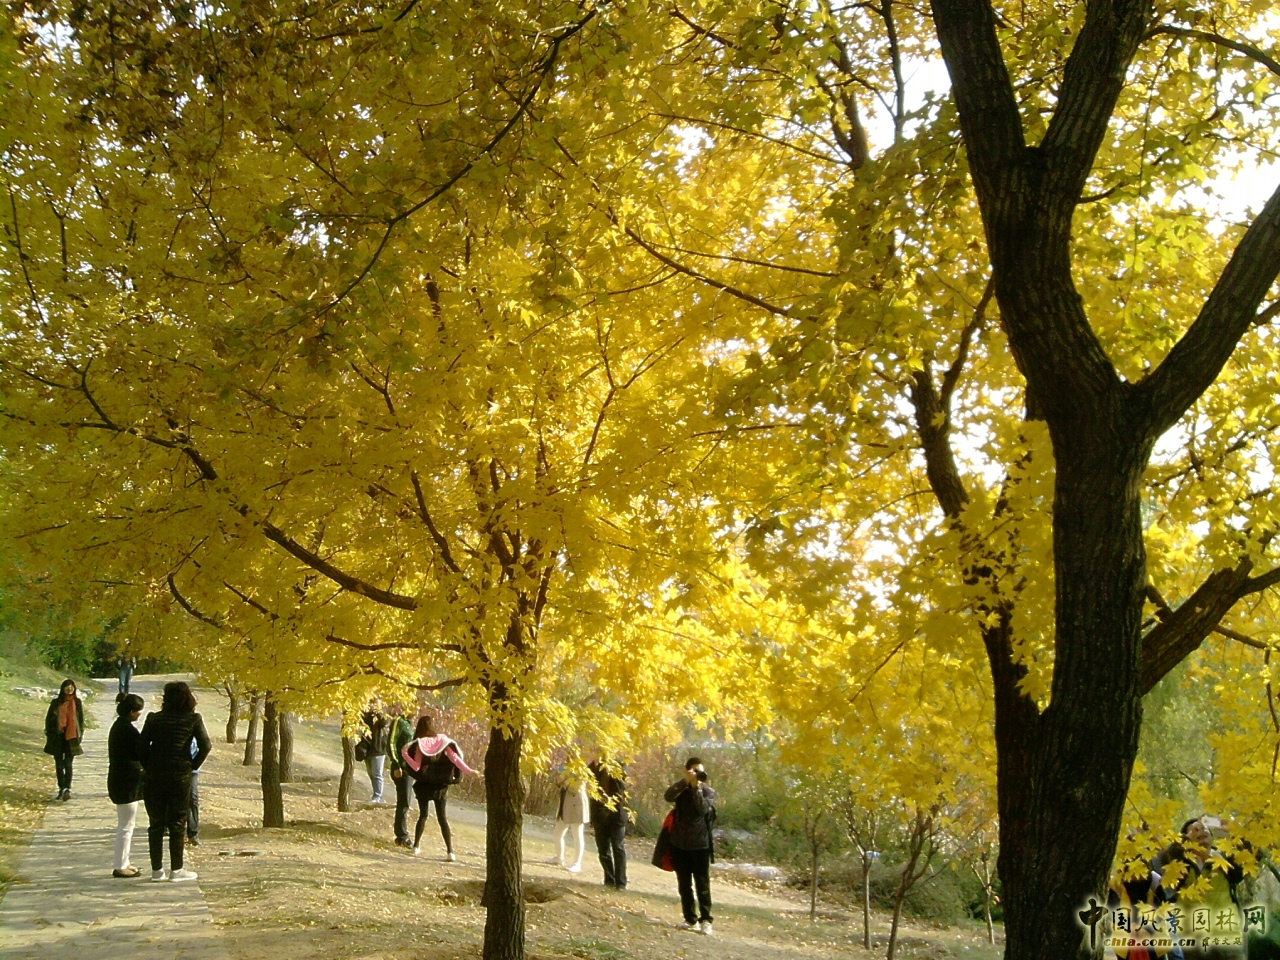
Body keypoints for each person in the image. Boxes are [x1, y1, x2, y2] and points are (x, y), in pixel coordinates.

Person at [140, 680, 211, 882]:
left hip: (155, 774)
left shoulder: (154, 719)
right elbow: (206, 745)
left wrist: (148, 766)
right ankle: (176, 869)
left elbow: (142, 747)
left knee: (156, 822)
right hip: (180, 774)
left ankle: (156, 871)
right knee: (178, 821)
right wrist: (191, 765)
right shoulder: (193, 719)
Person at [400, 715, 476, 860]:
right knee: (442, 818)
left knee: (423, 816)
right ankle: (450, 851)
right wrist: (470, 772)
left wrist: (405, 753)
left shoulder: (420, 744)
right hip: (440, 786)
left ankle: (416, 847)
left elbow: (416, 767)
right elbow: (455, 759)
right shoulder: (443, 741)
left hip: (424, 785)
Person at [664, 756, 717, 936]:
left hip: (700, 845)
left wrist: (696, 788)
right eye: (694, 771)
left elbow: (702, 809)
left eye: (700, 771)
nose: (698, 775)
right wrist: (684, 782)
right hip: (680, 844)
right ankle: (690, 919)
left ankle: (706, 920)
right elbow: (667, 796)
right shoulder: (681, 790)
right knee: (684, 885)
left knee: (702, 885)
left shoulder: (709, 792)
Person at [107, 693, 146, 877]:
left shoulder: (119, 726)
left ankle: (125, 861)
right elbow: (140, 752)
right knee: (125, 826)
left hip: (121, 780)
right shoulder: (127, 730)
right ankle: (120, 864)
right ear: (132, 712)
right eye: (138, 712)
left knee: (127, 825)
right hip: (126, 782)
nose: (139, 715)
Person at [589, 755, 629, 889]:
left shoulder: (617, 767)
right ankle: (609, 880)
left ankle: (621, 882)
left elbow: (620, 791)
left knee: (618, 848)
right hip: (599, 815)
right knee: (603, 850)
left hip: (616, 816)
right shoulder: (593, 767)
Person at [44, 679, 84, 801]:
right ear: (63, 688)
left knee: (68, 763)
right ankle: (61, 787)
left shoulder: (77, 702)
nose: (69, 689)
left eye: (71, 687)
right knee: (59, 763)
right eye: (67, 687)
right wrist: (49, 733)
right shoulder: (56, 702)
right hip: (58, 736)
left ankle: (67, 788)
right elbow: (49, 718)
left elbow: (80, 720)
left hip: (71, 736)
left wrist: (80, 735)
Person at [549, 769, 589, 873]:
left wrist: (564, 781)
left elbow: (577, 788)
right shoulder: (565, 767)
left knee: (577, 835)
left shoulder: (581, 769)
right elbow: (559, 783)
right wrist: (559, 780)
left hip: (576, 805)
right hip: (565, 804)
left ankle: (577, 863)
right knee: (558, 834)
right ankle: (559, 858)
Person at [387, 706, 415, 847]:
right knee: (404, 801)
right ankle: (402, 836)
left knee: (406, 802)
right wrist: (396, 764)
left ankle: (401, 835)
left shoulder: (410, 723)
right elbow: (391, 743)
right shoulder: (399, 721)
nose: (416, 710)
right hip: (401, 768)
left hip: (409, 768)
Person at [361, 701, 390, 804]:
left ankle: (378, 796)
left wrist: (378, 711)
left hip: (378, 749)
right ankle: (375, 793)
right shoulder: (365, 715)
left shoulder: (382, 716)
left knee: (377, 774)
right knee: (371, 773)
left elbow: (384, 722)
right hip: (367, 749)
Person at [187, 735, 202, 847]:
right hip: (174, 766)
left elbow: (205, 746)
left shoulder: (193, 721)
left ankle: (193, 833)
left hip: (192, 769)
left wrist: (194, 765)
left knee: (193, 798)